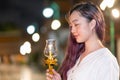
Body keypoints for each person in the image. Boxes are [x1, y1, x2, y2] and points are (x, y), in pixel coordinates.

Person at [46, 1, 120, 80]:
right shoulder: (79, 55)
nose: (72, 30)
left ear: (92, 24)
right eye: (71, 26)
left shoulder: (106, 60)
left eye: (76, 24)